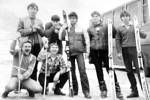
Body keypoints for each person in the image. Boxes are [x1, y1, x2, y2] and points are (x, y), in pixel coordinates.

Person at [87, 11, 123, 98]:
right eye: (93, 17)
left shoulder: (106, 26)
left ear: (100, 17)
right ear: (91, 19)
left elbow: (114, 35)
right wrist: (89, 53)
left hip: (105, 50)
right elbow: (89, 40)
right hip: (94, 51)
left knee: (109, 69)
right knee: (98, 71)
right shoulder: (89, 29)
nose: (95, 18)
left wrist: (112, 27)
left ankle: (117, 90)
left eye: (96, 16)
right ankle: (103, 90)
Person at [59, 12, 91, 99]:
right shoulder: (67, 28)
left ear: (76, 19)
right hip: (70, 53)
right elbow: (60, 37)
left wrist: (87, 52)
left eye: (74, 18)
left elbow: (87, 40)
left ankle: (86, 91)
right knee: (71, 72)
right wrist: (63, 28)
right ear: (69, 19)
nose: (72, 20)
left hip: (80, 53)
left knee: (82, 72)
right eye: (71, 18)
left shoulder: (81, 28)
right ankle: (74, 89)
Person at [116, 10, 147, 98]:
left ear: (129, 17)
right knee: (129, 71)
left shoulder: (134, 26)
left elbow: (143, 36)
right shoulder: (119, 28)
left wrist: (139, 29)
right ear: (121, 18)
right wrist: (119, 52)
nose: (125, 18)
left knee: (139, 70)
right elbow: (118, 41)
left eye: (127, 16)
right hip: (125, 51)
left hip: (135, 50)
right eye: (123, 16)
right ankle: (134, 91)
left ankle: (145, 90)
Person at [17, 3, 44, 81]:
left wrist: (38, 29)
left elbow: (42, 34)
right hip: (26, 45)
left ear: (37, 11)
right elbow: (19, 31)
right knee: (23, 65)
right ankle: (22, 84)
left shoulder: (39, 21)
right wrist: (31, 30)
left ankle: (33, 84)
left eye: (35, 9)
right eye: (31, 9)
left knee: (34, 65)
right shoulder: (22, 19)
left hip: (37, 45)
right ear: (28, 10)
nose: (33, 11)